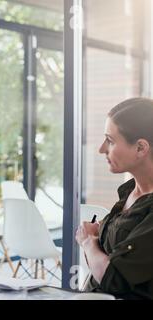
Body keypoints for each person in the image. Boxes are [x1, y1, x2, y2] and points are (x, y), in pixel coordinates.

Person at [76, 98, 153, 300]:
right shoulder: (129, 194)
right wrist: (95, 238)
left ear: (140, 148)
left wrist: (87, 242)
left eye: (110, 140)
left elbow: (114, 278)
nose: (102, 149)